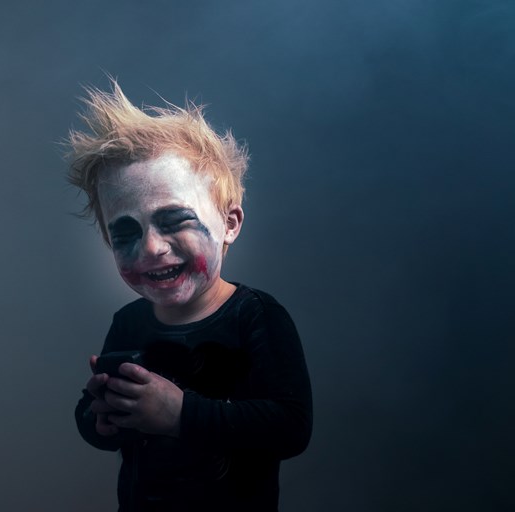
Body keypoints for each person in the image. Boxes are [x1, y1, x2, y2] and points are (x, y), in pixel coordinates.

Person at [68, 80, 312, 512]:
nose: (151, 248)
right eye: (125, 233)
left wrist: (181, 414)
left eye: (174, 220)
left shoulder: (256, 316)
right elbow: (97, 423)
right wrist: (102, 418)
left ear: (230, 223)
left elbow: (290, 428)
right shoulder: (128, 323)